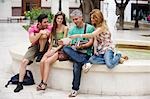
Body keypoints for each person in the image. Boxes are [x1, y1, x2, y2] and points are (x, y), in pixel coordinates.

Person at [14, 14, 52, 92]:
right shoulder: (32, 28)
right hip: (34, 46)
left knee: (43, 37)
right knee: (24, 61)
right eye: (45, 22)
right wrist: (40, 32)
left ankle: (40, 53)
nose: (47, 23)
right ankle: (20, 83)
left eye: (47, 21)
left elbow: (46, 35)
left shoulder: (49, 27)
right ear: (39, 23)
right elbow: (32, 40)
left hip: (45, 47)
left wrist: (39, 34)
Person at [62, 9, 95, 97]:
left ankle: (74, 89)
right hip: (75, 52)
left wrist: (82, 46)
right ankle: (85, 62)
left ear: (81, 18)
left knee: (76, 65)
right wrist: (67, 42)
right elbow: (69, 42)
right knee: (65, 48)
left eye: (76, 19)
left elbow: (91, 42)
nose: (75, 21)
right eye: (73, 19)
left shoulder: (89, 28)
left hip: (84, 52)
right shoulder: (72, 30)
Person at [36, 11, 68, 91]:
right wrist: (49, 50)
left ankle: (44, 83)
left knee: (47, 62)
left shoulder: (65, 28)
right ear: (55, 19)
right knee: (42, 61)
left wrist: (54, 50)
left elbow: (63, 42)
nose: (60, 20)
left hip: (60, 49)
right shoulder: (53, 28)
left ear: (63, 19)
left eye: (61, 18)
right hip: (53, 48)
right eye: (58, 18)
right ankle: (42, 81)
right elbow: (51, 42)